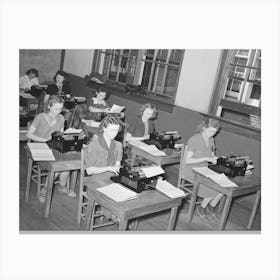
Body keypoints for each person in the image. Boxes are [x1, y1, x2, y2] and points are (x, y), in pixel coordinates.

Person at [26, 95, 72, 202]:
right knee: (57, 165)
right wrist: (44, 140)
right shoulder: (40, 117)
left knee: (68, 161)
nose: (58, 111)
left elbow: (60, 134)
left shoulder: (61, 118)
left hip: (53, 146)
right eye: (55, 109)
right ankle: (45, 189)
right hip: (39, 146)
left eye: (60, 109)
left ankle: (62, 187)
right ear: (49, 106)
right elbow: (29, 135)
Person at [184, 118, 224, 222]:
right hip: (192, 170)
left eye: (214, 132)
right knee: (213, 187)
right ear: (204, 128)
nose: (211, 134)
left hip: (204, 169)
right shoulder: (194, 139)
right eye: (209, 131)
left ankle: (211, 207)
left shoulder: (211, 140)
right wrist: (206, 158)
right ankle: (201, 208)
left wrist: (215, 158)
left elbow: (211, 154)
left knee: (224, 187)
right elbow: (187, 160)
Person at [84, 115, 123, 182]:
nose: (114, 134)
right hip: (97, 180)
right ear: (104, 128)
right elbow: (89, 171)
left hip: (113, 179)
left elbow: (117, 165)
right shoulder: (94, 145)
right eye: (112, 130)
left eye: (116, 131)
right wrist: (108, 168)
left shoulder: (118, 145)